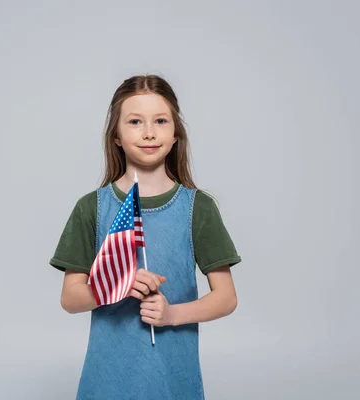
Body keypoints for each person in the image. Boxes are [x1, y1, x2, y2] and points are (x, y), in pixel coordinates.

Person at [49, 74, 242, 399]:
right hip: (106, 382)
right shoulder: (91, 208)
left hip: (173, 381)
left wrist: (172, 315)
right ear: (116, 136)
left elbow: (226, 298)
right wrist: (115, 285)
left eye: (161, 121)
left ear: (176, 133)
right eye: (135, 121)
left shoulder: (198, 208)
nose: (149, 132)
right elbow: (70, 299)